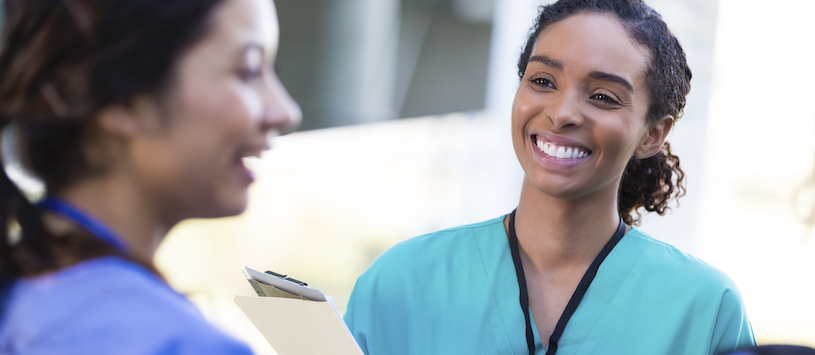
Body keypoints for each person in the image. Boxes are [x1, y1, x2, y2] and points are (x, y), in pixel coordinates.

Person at [343, 0, 754, 354]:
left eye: (602, 97)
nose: (562, 113)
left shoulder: (706, 310)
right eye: (542, 81)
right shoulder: (400, 282)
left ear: (652, 135)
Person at [0, 0, 299, 353]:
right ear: (125, 99)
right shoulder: (179, 343)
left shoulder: (26, 303)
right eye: (248, 70)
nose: (285, 111)